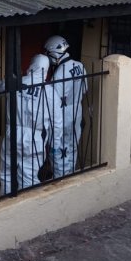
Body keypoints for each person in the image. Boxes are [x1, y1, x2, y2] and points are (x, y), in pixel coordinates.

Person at [1, 54, 53, 194]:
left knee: (6, 174)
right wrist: (54, 143)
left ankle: (6, 207)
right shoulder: (49, 91)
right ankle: (31, 209)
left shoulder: (16, 83)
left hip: (12, 132)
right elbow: (56, 122)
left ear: (32, 65)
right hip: (34, 137)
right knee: (29, 177)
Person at [43, 35, 87, 178]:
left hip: (62, 115)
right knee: (72, 146)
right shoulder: (80, 66)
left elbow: (53, 98)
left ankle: (61, 178)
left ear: (54, 52)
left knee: (59, 148)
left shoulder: (60, 71)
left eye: (48, 54)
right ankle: (70, 175)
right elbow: (85, 89)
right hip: (77, 112)